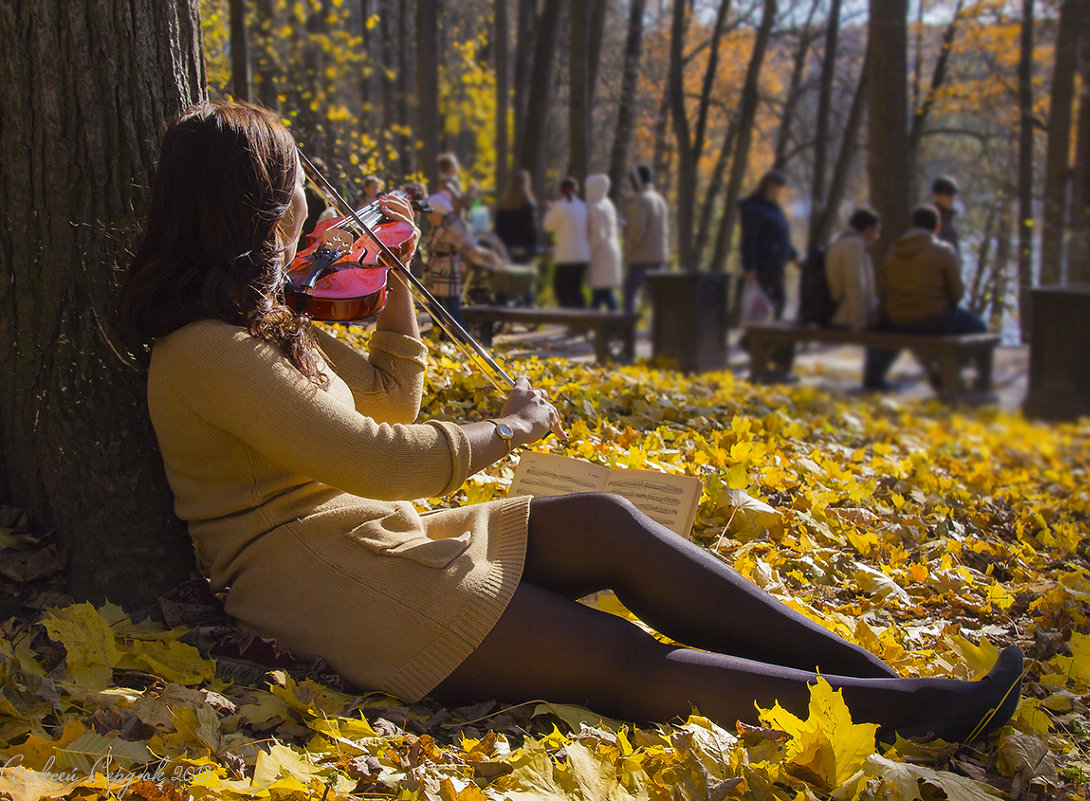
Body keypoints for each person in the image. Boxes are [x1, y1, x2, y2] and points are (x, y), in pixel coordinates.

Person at [119, 101, 1023, 741]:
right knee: (627, 662)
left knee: (605, 522)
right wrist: (509, 431)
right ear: (256, 205)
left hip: (373, 534)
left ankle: (876, 677)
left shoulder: (267, 324)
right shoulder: (203, 348)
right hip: (320, 576)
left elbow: (392, 401)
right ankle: (918, 712)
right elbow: (382, 456)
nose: (309, 206)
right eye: (292, 187)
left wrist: (393, 282)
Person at [864, 205, 987, 390]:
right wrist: (944, 304)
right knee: (979, 327)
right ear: (937, 228)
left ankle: (874, 378)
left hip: (898, 320)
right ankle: (960, 375)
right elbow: (958, 292)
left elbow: (885, 287)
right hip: (932, 320)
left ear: (912, 225)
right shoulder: (943, 251)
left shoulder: (893, 251)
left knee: (893, 328)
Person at [420, 193, 500, 334]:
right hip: (434, 272)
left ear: (439, 212)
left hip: (447, 272)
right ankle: (441, 337)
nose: (429, 217)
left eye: (431, 213)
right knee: (433, 306)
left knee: (452, 309)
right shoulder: (438, 225)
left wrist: (487, 256)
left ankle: (462, 339)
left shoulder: (453, 226)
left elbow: (468, 246)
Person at [738, 170, 799, 321]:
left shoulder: (774, 209)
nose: (779, 191)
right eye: (777, 187)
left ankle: (762, 339)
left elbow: (779, 236)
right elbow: (750, 238)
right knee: (776, 302)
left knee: (774, 303)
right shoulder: (755, 209)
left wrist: (793, 255)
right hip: (764, 264)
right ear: (768, 187)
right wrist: (750, 266)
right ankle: (763, 339)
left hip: (776, 264)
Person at [825, 208, 881, 332]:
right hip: (845, 317)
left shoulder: (840, 241)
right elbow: (854, 283)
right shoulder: (854, 245)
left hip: (839, 313)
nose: (877, 237)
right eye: (876, 231)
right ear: (868, 229)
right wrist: (859, 321)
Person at [622, 164, 669, 314]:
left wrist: (629, 247)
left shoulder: (640, 200)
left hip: (641, 257)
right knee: (658, 297)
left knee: (629, 291)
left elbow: (637, 231)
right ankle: (664, 328)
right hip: (658, 256)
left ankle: (626, 328)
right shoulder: (660, 199)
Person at [542, 177, 590, 309]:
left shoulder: (559, 206)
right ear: (577, 191)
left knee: (561, 290)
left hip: (565, 256)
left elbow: (548, 226)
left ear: (561, 191)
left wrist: (550, 210)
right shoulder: (583, 206)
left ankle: (572, 320)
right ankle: (584, 319)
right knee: (576, 290)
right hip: (582, 255)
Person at [584, 173, 622, 311]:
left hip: (601, 253)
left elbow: (597, 234)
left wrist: (589, 251)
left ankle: (615, 322)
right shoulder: (608, 204)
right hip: (611, 250)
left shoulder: (596, 207)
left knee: (603, 292)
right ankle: (594, 323)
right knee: (601, 293)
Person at [494, 169, 540, 264]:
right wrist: (533, 246)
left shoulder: (504, 204)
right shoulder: (528, 204)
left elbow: (498, 228)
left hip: (506, 247)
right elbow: (531, 228)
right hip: (523, 248)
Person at [437, 152, 477, 218]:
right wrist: (471, 191)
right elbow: (459, 203)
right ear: (449, 167)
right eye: (454, 164)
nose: (457, 166)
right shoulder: (447, 185)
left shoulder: (450, 183)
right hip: (451, 223)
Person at [931, 176, 961, 254]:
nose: (951, 198)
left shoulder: (951, 218)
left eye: (953, 194)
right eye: (947, 194)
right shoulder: (930, 218)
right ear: (936, 195)